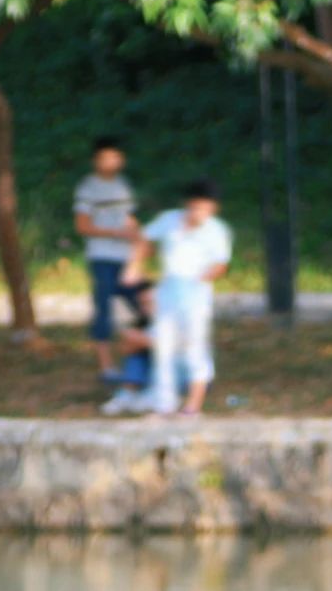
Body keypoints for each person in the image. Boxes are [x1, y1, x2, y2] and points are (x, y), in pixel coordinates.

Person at [131, 179, 232, 416]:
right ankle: (164, 403)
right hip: (169, 290)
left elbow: (220, 264)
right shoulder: (170, 220)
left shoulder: (216, 230)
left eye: (205, 208)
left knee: (195, 346)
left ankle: (193, 404)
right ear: (188, 204)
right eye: (196, 206)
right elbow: (144, 238)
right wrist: (135, 266)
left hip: (196, 292)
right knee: (163, 345)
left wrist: (200, 279)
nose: (199, 213)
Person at [74, 136, 139, 380]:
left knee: (141, 305)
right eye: (105, 158)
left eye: (115, 157)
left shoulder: (124, 185)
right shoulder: (88, 188)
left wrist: (138, 238)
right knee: (103, 310)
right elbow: (82, 226)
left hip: (126, 257)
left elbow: (129, 218)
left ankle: (138, 357)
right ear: (95, 161)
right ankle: (106, 365)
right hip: (101, 256)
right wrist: (114, 232)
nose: (110, 162)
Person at [100, 281, 156, 415]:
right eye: (142, 304)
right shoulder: (143, 323)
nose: (145, 308)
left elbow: (170, 348)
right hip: (152, 371)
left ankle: (144, 394)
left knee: (144, 349)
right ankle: (127, 394)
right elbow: (125, 349)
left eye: (149, 303)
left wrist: (139, 339)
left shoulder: (173, 322)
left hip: (179, 375)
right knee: (137, 355)